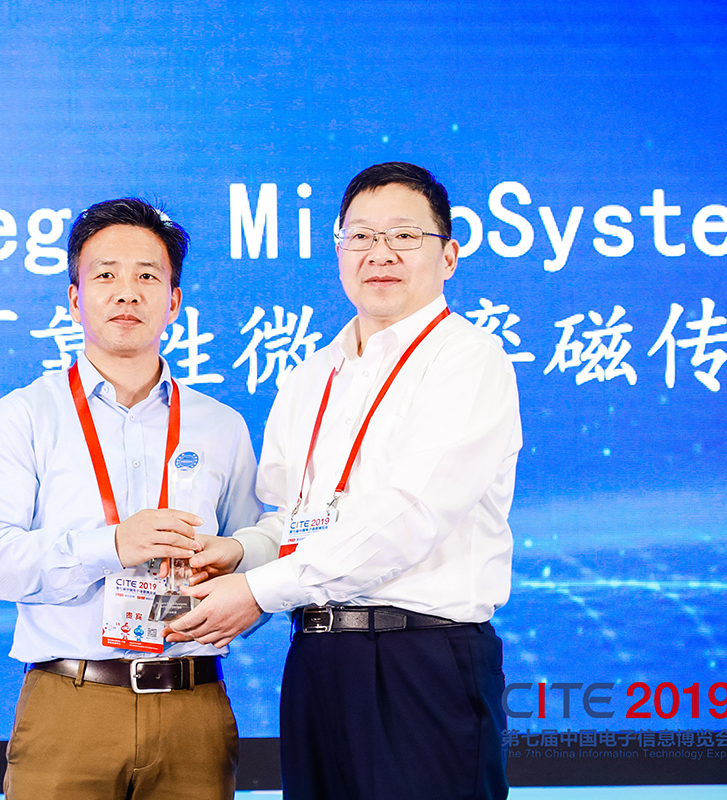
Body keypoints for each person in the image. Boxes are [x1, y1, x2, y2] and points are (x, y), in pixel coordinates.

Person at [171, 162, 522, 799]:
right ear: (338, 253)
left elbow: (408, 518)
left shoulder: (468, 360)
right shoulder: (311, 376)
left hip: (420, 660)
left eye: (404, 236)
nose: (379, 253)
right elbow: (293, 518)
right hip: (315, 659)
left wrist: (258, 591)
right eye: (359, 236)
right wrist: (242, 553)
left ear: (448, 256)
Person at [0, 198, 262, 800]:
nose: (127, 293)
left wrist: (238, 581)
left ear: (174, 302)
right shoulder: (24, 416)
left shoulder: (220, 426)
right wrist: (113, 545)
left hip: (193, 705)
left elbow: (253, 559)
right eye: (105, 275)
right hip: (72, 703)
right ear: (75, 299)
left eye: (147, 276)